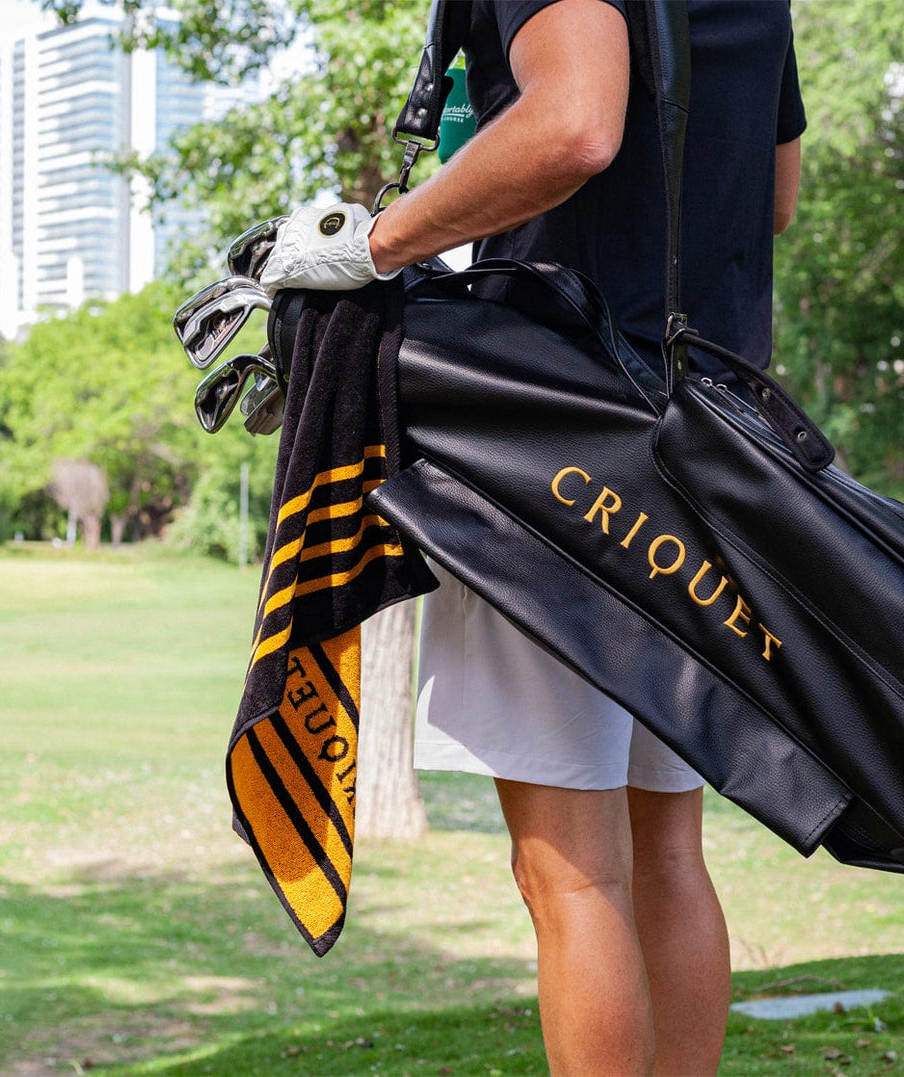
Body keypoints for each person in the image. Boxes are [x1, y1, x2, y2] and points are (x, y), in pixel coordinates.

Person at [263, 2, 802, 1071]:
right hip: (713, 439)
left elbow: (574, 126)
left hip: (557, 442)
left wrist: (372, 244)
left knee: (574, 875)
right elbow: (772, 197)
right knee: (667, 855)